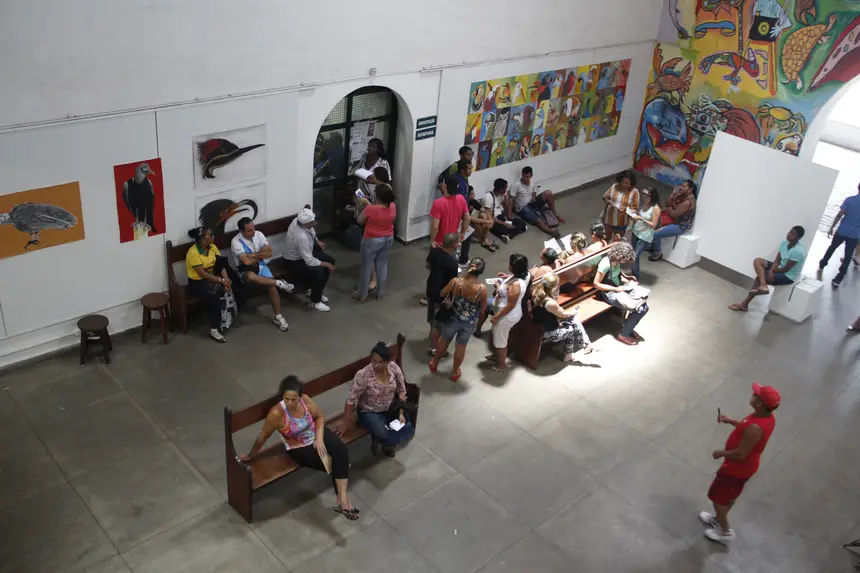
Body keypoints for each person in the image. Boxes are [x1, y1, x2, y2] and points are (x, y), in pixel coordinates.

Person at [240, 376, 358, 520]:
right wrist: (251, 455)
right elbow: (263, 437)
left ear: (300, 397)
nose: (290, 403)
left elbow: (319, 417)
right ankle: (343, 490)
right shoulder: (276, 414)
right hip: (297, 446)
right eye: (286, 399)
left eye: (294, 400)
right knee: (333, 462)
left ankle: (342, 499)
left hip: (315, 433)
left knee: (341, 450)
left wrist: (319, 439)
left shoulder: (305, 401)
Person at [700, 382, 780, 544]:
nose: (753, 394)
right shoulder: (766, 417)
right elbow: (746, 429)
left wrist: (720, 453)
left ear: (760, 403)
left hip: (735, 469)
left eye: (756, 395)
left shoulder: (755, 428)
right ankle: (718, 518)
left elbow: (740, 454)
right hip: (744, 469)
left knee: (717, 498)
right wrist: (731, 421)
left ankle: (725, 531)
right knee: (730, 495)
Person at [336, 342, 414, 457]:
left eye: (380, 362)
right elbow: (350, 401)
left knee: (406, 423)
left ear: (387, 362)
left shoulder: (394, 368)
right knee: (384, 432)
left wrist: (400, 412)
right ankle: (385, 440)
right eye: (374, 361)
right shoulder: (363, 375)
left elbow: (402, 391)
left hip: (390, 407)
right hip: (369, 412)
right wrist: (345, 423)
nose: (376, 365)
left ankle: (385, 439)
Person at [429, 258, 488, 382]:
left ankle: (434, 363)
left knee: (444, 340)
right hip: (469, 322)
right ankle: (455, 372)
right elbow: (483, 309)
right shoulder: (482, 289)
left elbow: (442, 293)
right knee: (461, 346)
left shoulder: (456, 282)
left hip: (453, 318)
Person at [231, 217, 295, 332]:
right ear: (241, 231)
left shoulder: (259, 234)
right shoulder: (236, 242)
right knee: (250, 276)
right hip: (244, 270)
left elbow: (269, 253)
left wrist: (252, 255)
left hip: (261, 266)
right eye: (249, 230)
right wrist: (260, 254)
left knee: (271, 286)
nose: (253, 231)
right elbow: (246, 262)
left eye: (253, 227)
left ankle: (278, 317)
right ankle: (279, 282)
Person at [729, 226, 806, 312]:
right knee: (758, 261)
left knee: (759, 278)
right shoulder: (784, 243)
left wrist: (772, 272)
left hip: (788, 275)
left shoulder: (798, 251)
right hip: (778, 268)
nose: (789, 234)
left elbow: (786, 269)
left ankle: (744, 304)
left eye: (793, 234)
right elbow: (777, 260)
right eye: (790, 232)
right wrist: (771, 271)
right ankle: (763, 285)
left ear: (798, 238)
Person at [593, 241, 649, 346]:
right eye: (625, 259)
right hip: (609, 293)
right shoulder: (605, 264)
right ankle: (624, 334)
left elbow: (618, 273)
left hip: (620, 288)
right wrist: (616, 289)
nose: (625, 262)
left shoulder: (616, 261)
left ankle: (628, 327)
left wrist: (628, 279)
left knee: (644, 305)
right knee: (640, 309)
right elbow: (596, 284)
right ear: (619, 256)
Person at [185, 226, 235, 343]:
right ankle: (214, 329)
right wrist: (221, 281)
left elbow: (221, 265)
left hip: (213, 278)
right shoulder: (193, 253)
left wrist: (226, 279)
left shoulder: (213, 247)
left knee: (233, 285)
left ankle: (227, 318)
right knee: (214, 296)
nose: (213, 237)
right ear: (202, 239)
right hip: (198, 282)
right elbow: (202, 274)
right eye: (210, 235)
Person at [531, 273, 595, 361]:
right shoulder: (550, 303)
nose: (558, 286)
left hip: (539, 326)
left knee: (574, 321)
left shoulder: (537, 292)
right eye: (557, 284)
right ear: (553, 287)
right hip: (550, 332)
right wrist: (573, 312)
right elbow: (562, 314)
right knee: (573, 326)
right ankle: (584, 346)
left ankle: (585, 346)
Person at [284, 207, 336, 312]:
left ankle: (315, 290)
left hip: (305, 253)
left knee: (330, 260)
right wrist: (326, 265)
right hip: (294, 260)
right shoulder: (300, 236)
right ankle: (315, 301)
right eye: (312, 221)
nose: (315, 222)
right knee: (320, 272)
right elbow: (309, 260)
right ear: (307, 224)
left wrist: (317, 241)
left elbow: (311, 230)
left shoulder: (299, 221)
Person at [487, 254, 530, 372]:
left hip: (506, 316)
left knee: (500, 341)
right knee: (497, 336)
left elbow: (510, 305)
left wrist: (496, 317)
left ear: (513, 267)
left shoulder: (516, 285)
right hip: (503, 312)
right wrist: (506, 277)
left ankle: (500, 366)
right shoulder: (521, 275)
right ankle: (496, 356)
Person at [354, 185, 395, 301]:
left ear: (378, 197)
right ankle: (380, 293)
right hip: (388, 238)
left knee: (366, 267)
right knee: (382, 265)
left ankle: (362, 294)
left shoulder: (371, 209)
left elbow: (360, 220)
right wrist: (368, 203)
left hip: (371, 240)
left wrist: (365, 204)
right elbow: (379, 210)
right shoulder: (392, 206)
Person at [818, 183, 860, 288]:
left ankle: (822, 264)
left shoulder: (850, 200)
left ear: (858, 187)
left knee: (832, 248)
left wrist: (831, 227)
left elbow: (840, 214)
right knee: (848, 256)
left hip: (842, 230)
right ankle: (838, 279)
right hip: (854, 234)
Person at [425, 232, 460, 357]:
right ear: (454, 245)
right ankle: (435, 348)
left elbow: (427, 265)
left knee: (431, 314)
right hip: (442, 294)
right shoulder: (452, 262)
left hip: (430, 288)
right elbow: (453, 282)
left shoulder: (434, 251)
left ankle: (432, 334)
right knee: (439, 322)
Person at [508, 166, 564, 237]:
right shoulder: (516, 185)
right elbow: (510, 200)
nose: (525, 178)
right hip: (522, 208)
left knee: (548, 193)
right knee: (538, 219)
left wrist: (533, 196)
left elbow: (534, 191)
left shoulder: (532, 182)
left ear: (531, 176)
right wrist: (509, 216)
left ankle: (555, 215)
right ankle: (551, 231)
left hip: (532, 203)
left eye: (527, 176)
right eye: (523, 176)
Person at [648, 179, 697, 261]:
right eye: (681, 186)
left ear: (690, 189)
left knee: (654, 233)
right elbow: (667, 203)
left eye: (684, 186)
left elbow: (674, 214)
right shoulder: (681, 195)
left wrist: (668, 208)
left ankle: (657, 252)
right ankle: (653, 245)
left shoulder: (688, 202)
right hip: (672, 219)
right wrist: (673, 194)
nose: (681, 188)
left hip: (680, 226)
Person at [430, 174, 470, 264]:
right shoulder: (461, 199)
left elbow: (435, 226)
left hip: (440, 243)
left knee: (436, 268)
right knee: (451, 265)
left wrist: (432, 240)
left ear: (445, 186)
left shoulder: (438, 203)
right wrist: (462, 232)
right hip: (453, 241)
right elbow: (467, 217)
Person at [628, 188, 661, 279]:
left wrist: (641, 218)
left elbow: (653, 224)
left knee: (635, 255)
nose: (644, 198)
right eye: (644, 196)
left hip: (645, 236)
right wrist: (636, 213)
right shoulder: (646, 204)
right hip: (636, 231)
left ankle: (636, 277)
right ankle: (633, 274)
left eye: (647, 197)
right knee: (633, 254)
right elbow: (643, 215)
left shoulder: (656, 208)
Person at [484, 178, 525, 244]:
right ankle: (511, 232)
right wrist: (505, 224)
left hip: (502, 217)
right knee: (504, 229)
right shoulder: (488, 197)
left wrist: (506, 199)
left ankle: (508, 235)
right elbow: (490, 218)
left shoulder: (501, 195)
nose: (506, 190)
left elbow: (507, 210)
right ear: (500, 189)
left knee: (521, 222)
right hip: (494, 221)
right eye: (505, 188)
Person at [352, 138, 391, 206]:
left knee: (371, 210)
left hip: (374, 195)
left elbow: (387, 183)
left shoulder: (383, 162)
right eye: (369, 146)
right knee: (360, 209)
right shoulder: (364, 157)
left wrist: (373, 181)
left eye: (373, 147)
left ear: (378, 150)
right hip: (361, 191)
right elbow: (358, 170)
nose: (370, 148)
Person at [602, 170, 640, 239]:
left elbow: (635, 208)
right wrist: (609, 202)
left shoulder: (634, 192)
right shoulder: (614, 186)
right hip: (609, 219)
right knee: (605, 238)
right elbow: (605, 197)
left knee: (617, 241)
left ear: (631, 184)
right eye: (623, 182)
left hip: (622, 222)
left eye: (627, 183)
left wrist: (627, 210)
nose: (624, 184)